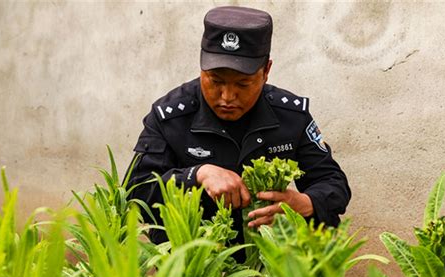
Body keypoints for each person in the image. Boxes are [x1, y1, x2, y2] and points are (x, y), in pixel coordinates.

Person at [127, 6, 351, 246]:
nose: (227, 96)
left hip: (270, 261)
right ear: (202, 68)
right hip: (191, 263)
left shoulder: (290, 116)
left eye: (243, 84)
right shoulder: (170, 116)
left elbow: (333, 183)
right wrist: (196, 175)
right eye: (216, 81)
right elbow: (136, 192)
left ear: (266, 71)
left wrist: (305, 204)